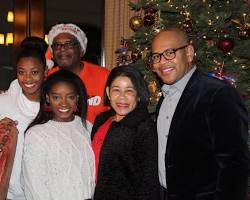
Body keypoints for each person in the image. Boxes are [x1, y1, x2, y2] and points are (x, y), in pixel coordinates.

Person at [150, 28, 250, 200]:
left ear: (189, 53)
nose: (162, 62)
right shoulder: (166, 97)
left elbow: (234, 165)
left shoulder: (218, 94)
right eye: (156, 56)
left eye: (169, 53)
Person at [22, 70, 95, 200]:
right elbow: (34, 187)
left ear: (77, 98)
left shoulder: (88, 128)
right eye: (56, 97)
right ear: (47, 98)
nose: (64, 103)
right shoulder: (36, 135)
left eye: (70, 97)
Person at [91, 65, 160, 200]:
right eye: (116, 90)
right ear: (108, 92)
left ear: (139, 95)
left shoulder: (144, 128)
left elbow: (148, 181)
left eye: (129, 91)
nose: (122, 97)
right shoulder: (102, 120)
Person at [0, 36, 48, 200]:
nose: (28, 79)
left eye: (34, 72)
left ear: (45, 73)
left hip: (43, 193)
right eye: (22, 72)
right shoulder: (4, 103)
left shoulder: (54, 108)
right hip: (9, 193)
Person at [47, 23, 110, 124]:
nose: (62, 49)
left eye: (69, 44)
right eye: (57, 45)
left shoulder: (103, 76)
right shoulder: (48, 78)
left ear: (81, 50)